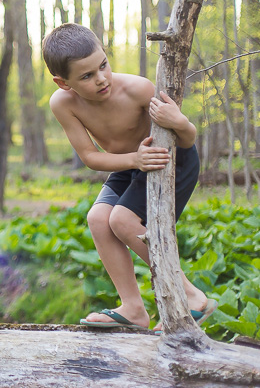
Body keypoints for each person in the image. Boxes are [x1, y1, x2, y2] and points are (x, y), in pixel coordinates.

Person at [42, 23, 216, 332]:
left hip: (170, 161)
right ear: (63, 83)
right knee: (98, 219)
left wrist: (180, 121)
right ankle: (134, 309)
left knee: (121, 220)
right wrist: (133, 159)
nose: (101, 79)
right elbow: (91, 157)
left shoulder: (138, 89)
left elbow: (187, 139)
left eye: (103, 66)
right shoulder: (63, 104)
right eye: (86, 76)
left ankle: (191, 295)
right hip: (128, 164)